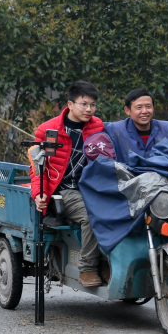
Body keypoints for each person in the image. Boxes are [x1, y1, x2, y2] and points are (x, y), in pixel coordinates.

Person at [29, 80, 105, 288]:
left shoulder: (98, 126)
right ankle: (87, 268)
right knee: (92, 216)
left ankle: (107, 261)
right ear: (70, 105)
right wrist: (39, 194)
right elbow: (37, 169)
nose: (89, 109)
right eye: (84, 104)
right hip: (64, 191)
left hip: (91, 187)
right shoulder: (48, 130)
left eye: (92, 105)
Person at [102, 88, 168, 162]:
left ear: (153, 108)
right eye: (139, 107)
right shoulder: (113, 131)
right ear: (127, 110)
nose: (145, 111)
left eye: (148, 106)